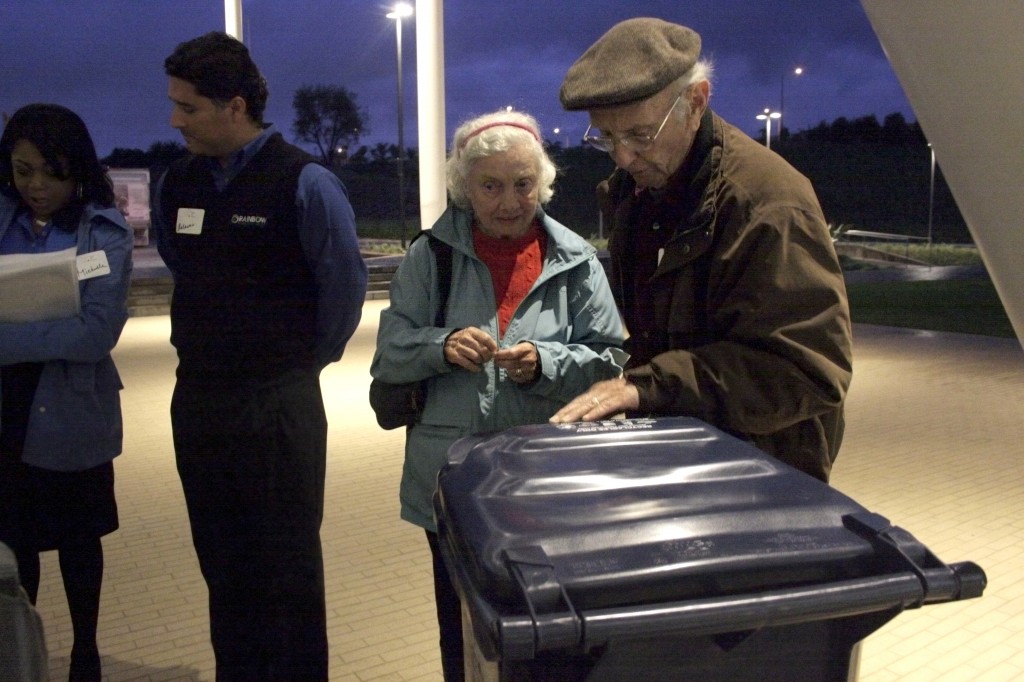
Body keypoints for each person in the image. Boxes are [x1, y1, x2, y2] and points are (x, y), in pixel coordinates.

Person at [370, 110, 626, 680]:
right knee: (462, 634)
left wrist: (546, 363)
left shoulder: (577, 259)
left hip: (549, 486)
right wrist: (441, 345)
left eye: (523, 184)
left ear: (543, 183)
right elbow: (389, 353)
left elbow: (611, 360)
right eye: (491, 185)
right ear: (465, 188)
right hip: (454, 485)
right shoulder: (429, 256)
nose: (509, 200)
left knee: (557, 633)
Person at [552, 17, 853, 482]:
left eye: (639, 135)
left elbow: (807, 371)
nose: (623, 157)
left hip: (765, 475)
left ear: (696, 101)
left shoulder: (767, 202)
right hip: (684, 462)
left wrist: (647, 388)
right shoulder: (636, 192)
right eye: (606, 138)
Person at [152, 32, 368, 680]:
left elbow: (345, 289)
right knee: (223, 567)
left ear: (235, 105)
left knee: (287, 577)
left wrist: (298, 364)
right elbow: (176, 260)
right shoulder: (178, 183)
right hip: (199, 402)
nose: (175, 119)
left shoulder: (306, 183)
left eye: (188, 107)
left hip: (276, 405)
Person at [0, 103, 133, 681]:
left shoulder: (101, 230)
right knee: (13, 546)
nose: (34, 185)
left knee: (80, 541)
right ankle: (21, 652)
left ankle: (85, 652)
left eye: (49, 173)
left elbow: (95, 333)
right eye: (22, 170)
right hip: (8, 411)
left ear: (76, 170)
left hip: (72, 408)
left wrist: (7, 339)